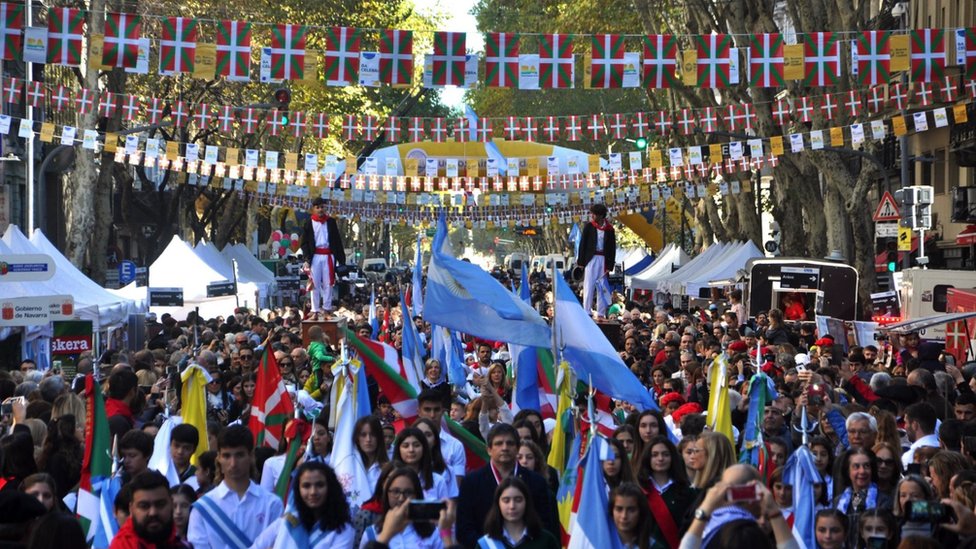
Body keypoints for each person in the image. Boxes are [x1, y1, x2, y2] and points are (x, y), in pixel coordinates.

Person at [457, 424, 556, 548]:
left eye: (510, 443)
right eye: (499, 444)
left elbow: (545, 524)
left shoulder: (536, 482)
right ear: (489, 449)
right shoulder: (471, 482)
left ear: (518, 447)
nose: (504, 448)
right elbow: (464, 528)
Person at [187, 425, 283, 549]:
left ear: (251, 456)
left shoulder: (272, 504)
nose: (233, 463)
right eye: (227, 456)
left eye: (239, 455)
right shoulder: (202, 508)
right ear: (219, 458)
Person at [251, 462, 354, 549]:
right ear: (298, 490)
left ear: (330, 488)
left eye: (320, 485)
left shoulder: (343, 529)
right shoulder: (287, 521)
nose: (313, 492)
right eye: (306, 486)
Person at [360, 466, 448, 549]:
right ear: (387, 493)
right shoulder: (371, 533)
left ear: (417, 495)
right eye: (396, 491)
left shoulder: (432, 532)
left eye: (408, 492)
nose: (401, 498)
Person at [637, 435, 694, 549]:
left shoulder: (687, 492)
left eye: (665, 454)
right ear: (648, 458)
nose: (660, 458)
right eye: (655, 455)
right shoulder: (638, 490)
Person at [478, 476, 559, 549]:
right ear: (498, 503)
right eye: (506, 501)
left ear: (526, 502)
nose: (512, 506)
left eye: (518, 500)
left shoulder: (546, 541)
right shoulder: (485, 544)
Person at [110, 471, 181, 549]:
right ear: (131, 509)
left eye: (160, 504)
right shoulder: (122, 545)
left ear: (171, 504)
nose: (153, 512)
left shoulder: (181, 544)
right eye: (144, 506)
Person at [301, 197, 346, 317]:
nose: (320, 210)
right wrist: (306, 259)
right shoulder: (308, 222)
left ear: (325, 208)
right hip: (315, 256)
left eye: (322, 207)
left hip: (328, 255)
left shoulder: (331, 222)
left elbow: (337, 240)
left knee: (328, 283)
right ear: (313, 209)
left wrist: (341, 259)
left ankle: (327, 308)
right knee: (314, 283)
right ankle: (315, 309)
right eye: (318, 207)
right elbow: (304, 242)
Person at [576, 203, 616, 318]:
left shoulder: (609, 229)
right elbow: (582, 245)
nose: (592, 216)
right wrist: (581, 262)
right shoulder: (589, 227)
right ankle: (587, 311)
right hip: (591, 258)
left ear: (601, 215)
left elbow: (612, 248)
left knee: (602, 286)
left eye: (595, 214)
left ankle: (601, 312)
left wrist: (610, 265)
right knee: (589, 284)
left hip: (603, 259)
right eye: (592, 213)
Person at [392, 427, 449, 500]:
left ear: (424, 448)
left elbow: (445, 509)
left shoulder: (438, 481)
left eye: (416, 445)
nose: (411, 450)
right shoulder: (391, 478)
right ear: (398, 449)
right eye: (405, 446)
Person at [609, 482, 652, 549]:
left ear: (641, 511)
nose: (624, 516)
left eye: (631, 510)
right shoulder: (600, 544)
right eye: (619, 509)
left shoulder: (654, 546)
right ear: (612, 511)